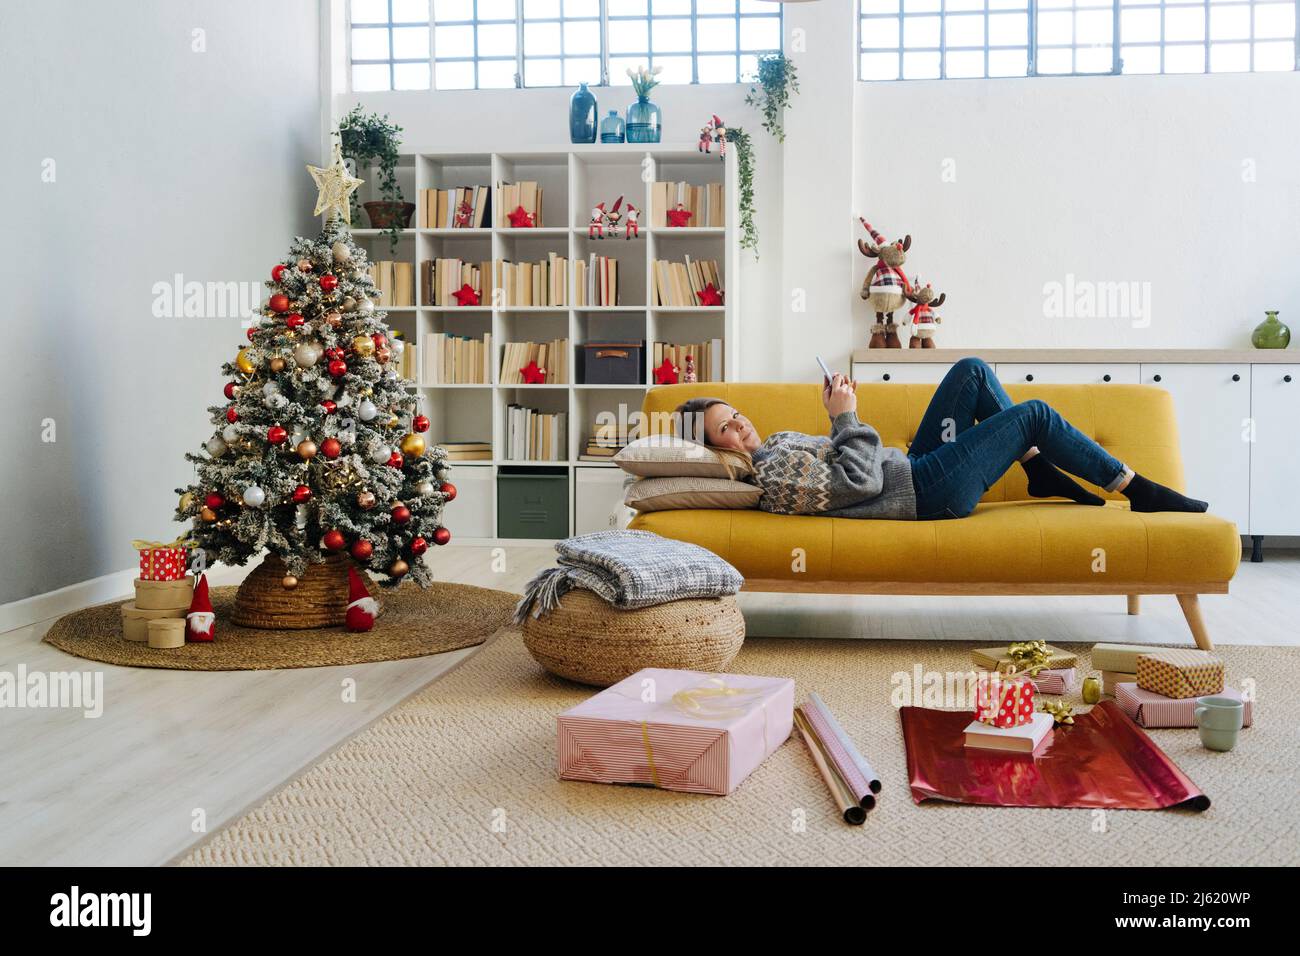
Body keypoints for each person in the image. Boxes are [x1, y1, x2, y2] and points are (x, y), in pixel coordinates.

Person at [673, 357, 1208, 521]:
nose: (742, 423)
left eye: (737, 414)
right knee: (1035, 414)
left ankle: (1040, 471)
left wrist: (838, 417)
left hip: (916, 465)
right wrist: (845, 416)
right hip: (927, 492)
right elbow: (856, 483)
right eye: (727, 427)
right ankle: (1138, 489)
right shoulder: (766, 474)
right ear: (715, 448)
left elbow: (852, 458)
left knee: (971, 372)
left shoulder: (776, 444)